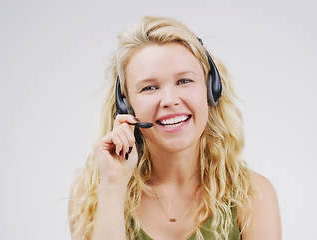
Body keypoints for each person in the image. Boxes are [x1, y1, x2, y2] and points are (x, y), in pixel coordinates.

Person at [68, 16, 281, 240]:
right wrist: (113, 186)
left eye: (184, 81)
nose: (169, 100)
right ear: (126, 104)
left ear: (211, 90)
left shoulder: (253, 194)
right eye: (149, 87)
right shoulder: (90, 193)